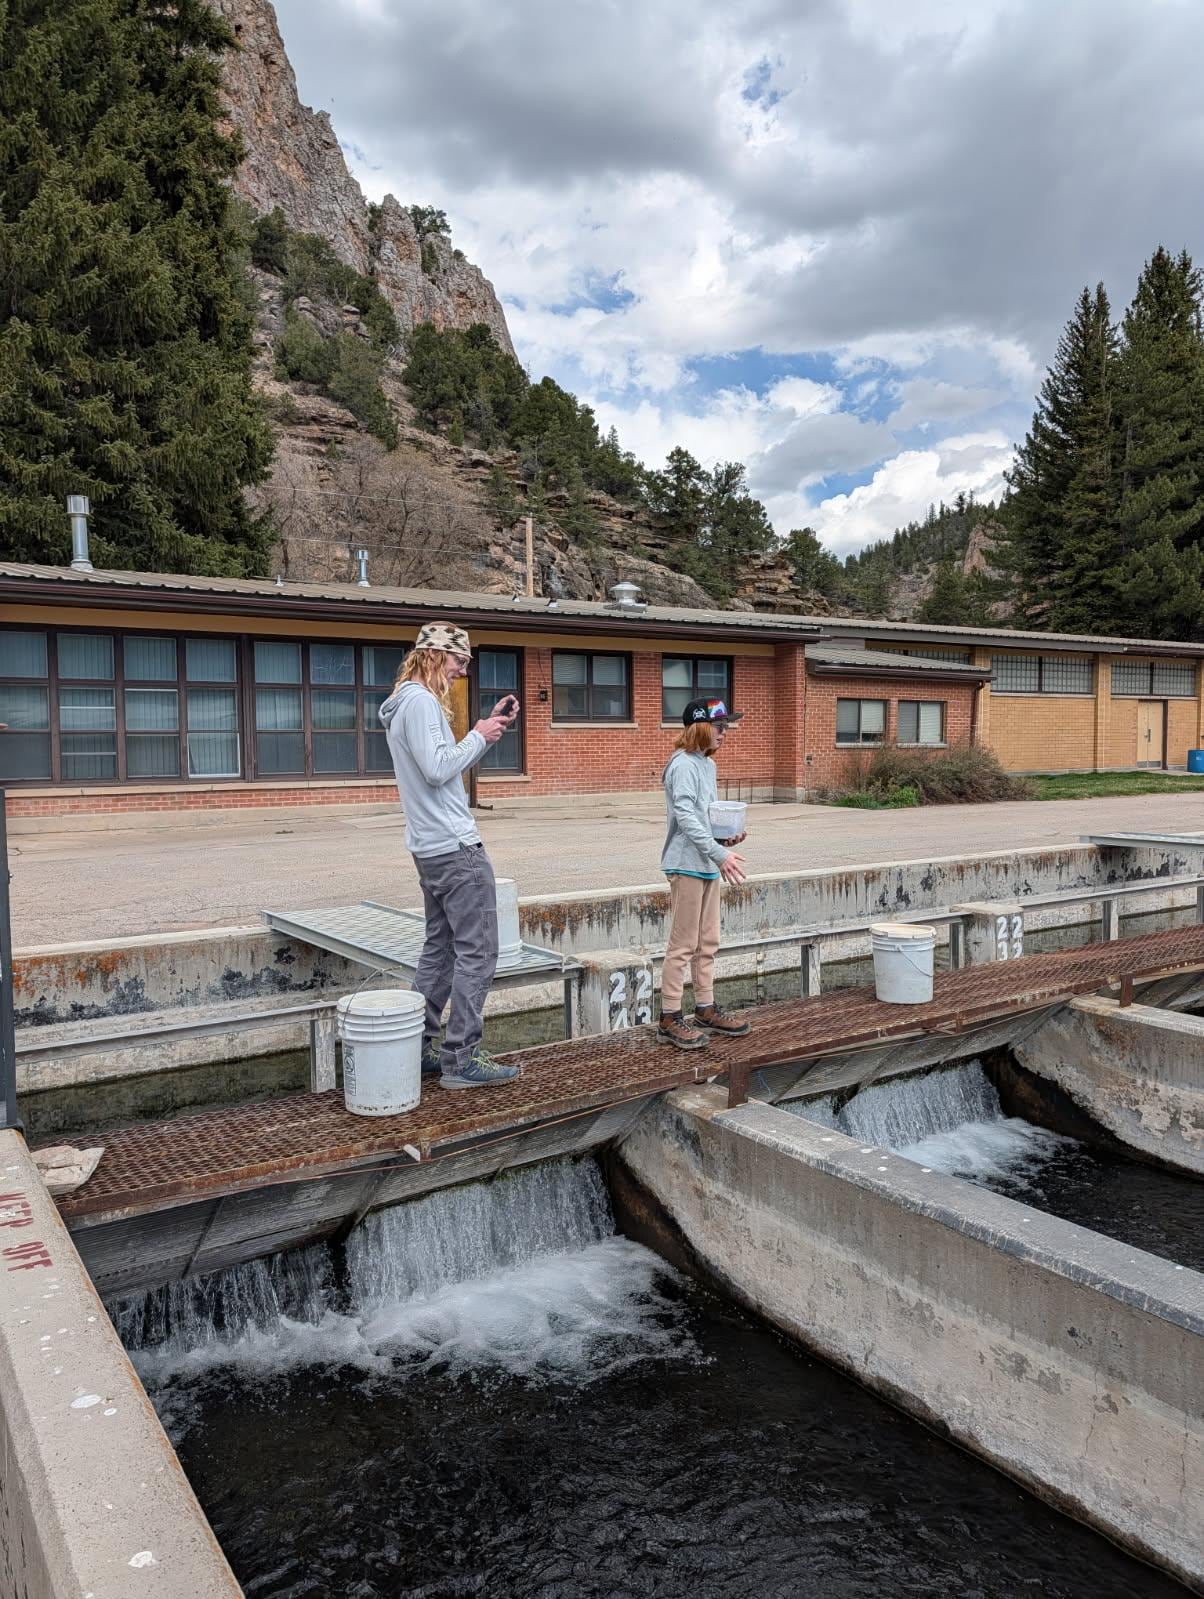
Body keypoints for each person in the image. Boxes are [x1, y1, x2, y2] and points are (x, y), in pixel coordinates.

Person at [378, 622, 520, 1090]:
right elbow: (439, 770)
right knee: (479, 952)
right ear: (436, 655)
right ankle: (462, 1058)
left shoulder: (404, 704)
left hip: (429, 850)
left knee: (439, 950)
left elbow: (433, 764)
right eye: (459, 662)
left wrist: (481, 732)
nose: (462, 672)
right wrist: (479, 735)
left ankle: (418, 1046)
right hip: (456, 849)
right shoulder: (419, 702)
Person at [657, 697, 752, 1051]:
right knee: (683, 945)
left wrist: (726, 837)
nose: (725, 733)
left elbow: (704, 818)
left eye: (726, 726)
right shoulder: (682, 765)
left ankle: (705, 1008)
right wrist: (718, 852)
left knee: (708, 942)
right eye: (720, 726)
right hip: (686, 863)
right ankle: (668, 1017)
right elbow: (685, 818)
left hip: (708, 862)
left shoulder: (706, 766)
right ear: (699, 727)